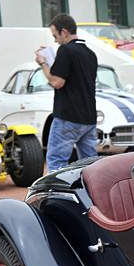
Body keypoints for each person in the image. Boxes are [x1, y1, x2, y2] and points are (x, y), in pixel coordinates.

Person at [35, 13, 97, 172]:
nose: (55, 40)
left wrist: (43, 63)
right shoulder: (91, 54)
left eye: (55, 35)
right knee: (90, 165)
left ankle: (55, 195)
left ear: (64, 32)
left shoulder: (65, 50)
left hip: (68, 116)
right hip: (89, 117)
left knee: (56, 163)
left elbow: (57, 82)